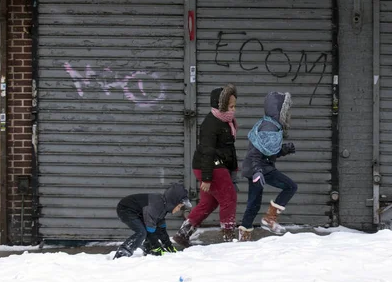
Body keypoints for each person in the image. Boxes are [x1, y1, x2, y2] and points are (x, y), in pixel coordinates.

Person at [173, 83, 239, 247]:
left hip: (215, 165)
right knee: (229, 198)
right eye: (230, 106)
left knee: (208, 203)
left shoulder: (226, 122)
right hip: (208, 165)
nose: (233, 110)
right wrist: (207, 179)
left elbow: (228, 149)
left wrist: (233, 170)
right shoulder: (211, 124)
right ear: (220, 105)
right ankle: (228, 237)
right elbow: (207, 152)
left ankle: (183, 234)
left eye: (234, 106)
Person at [237, 91, 298, 242]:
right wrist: (258, 171)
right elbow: (256, 153)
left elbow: (269, 152)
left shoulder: (270, 124)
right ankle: (270, 218)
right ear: (279, 110)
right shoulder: (269, 127)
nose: (288, 114)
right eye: (285, 109)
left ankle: (244, 236)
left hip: (257, 168)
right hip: (260, 168)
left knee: (254, 203)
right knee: (290, 187)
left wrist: (284, 150)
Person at [113, 183, 192, 259]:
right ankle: (122, 253)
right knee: (142, 232)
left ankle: (149, 249)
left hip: (138, 212)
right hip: (125, 209)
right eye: (179, 206)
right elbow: (150, 231)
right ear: (173, 202)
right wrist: (156, 246)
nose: (179, 210)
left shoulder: (163, 207)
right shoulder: (156, 206)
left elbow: (161, 230)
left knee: (151, 229)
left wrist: (168, 245)